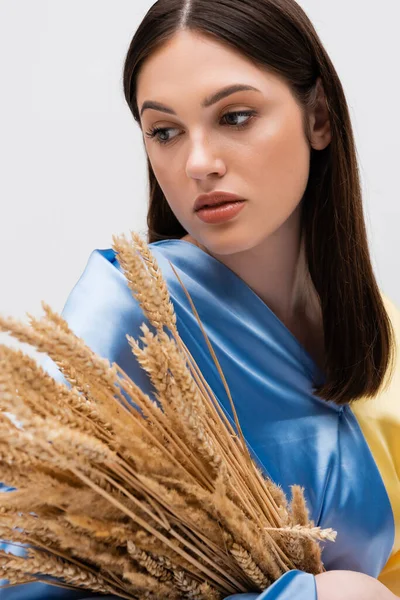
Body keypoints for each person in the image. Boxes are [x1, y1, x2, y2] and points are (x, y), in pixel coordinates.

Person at [1, 0, 399, 598]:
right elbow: (21, 575)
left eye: (235, 117)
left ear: (319, 117)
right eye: (164, 131)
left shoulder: (381, 335)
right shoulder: (125, 317)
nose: (198, 163)